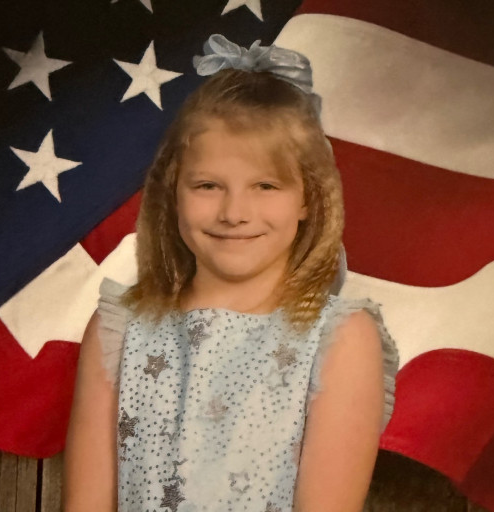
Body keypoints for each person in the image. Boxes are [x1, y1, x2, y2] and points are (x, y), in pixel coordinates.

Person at [63, 34, 398, 512]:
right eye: (207, 185)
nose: (234, 213)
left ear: (308, 197)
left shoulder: (340, 338)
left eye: (266, 185)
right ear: (171, 192)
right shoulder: (121, 330)